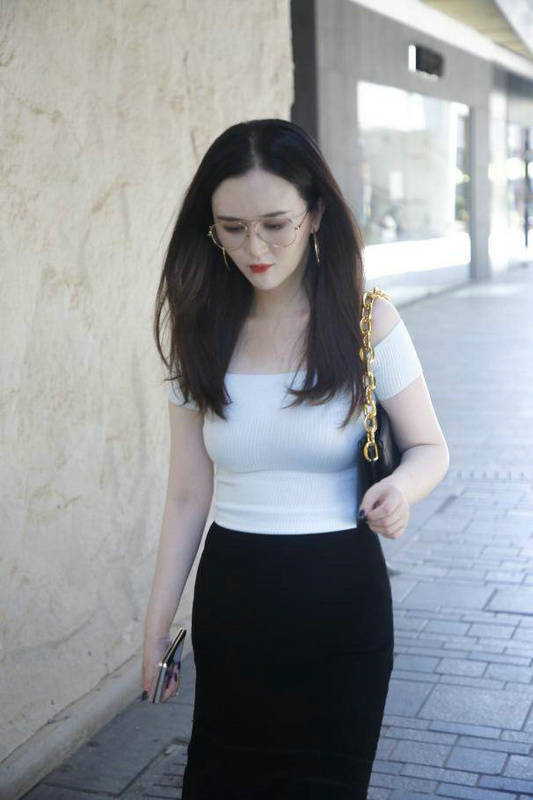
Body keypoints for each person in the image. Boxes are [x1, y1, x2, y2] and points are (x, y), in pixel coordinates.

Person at [142, 118, 450, 799]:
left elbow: (430, 448)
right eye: (231, 228)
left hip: (341, 601)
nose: (254, 248)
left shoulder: (367, 322)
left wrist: (401, 488)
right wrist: (157, 626)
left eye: (275, 225)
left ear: (315, 214)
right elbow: (187, 494)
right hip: (234, 598)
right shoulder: (198, 330)